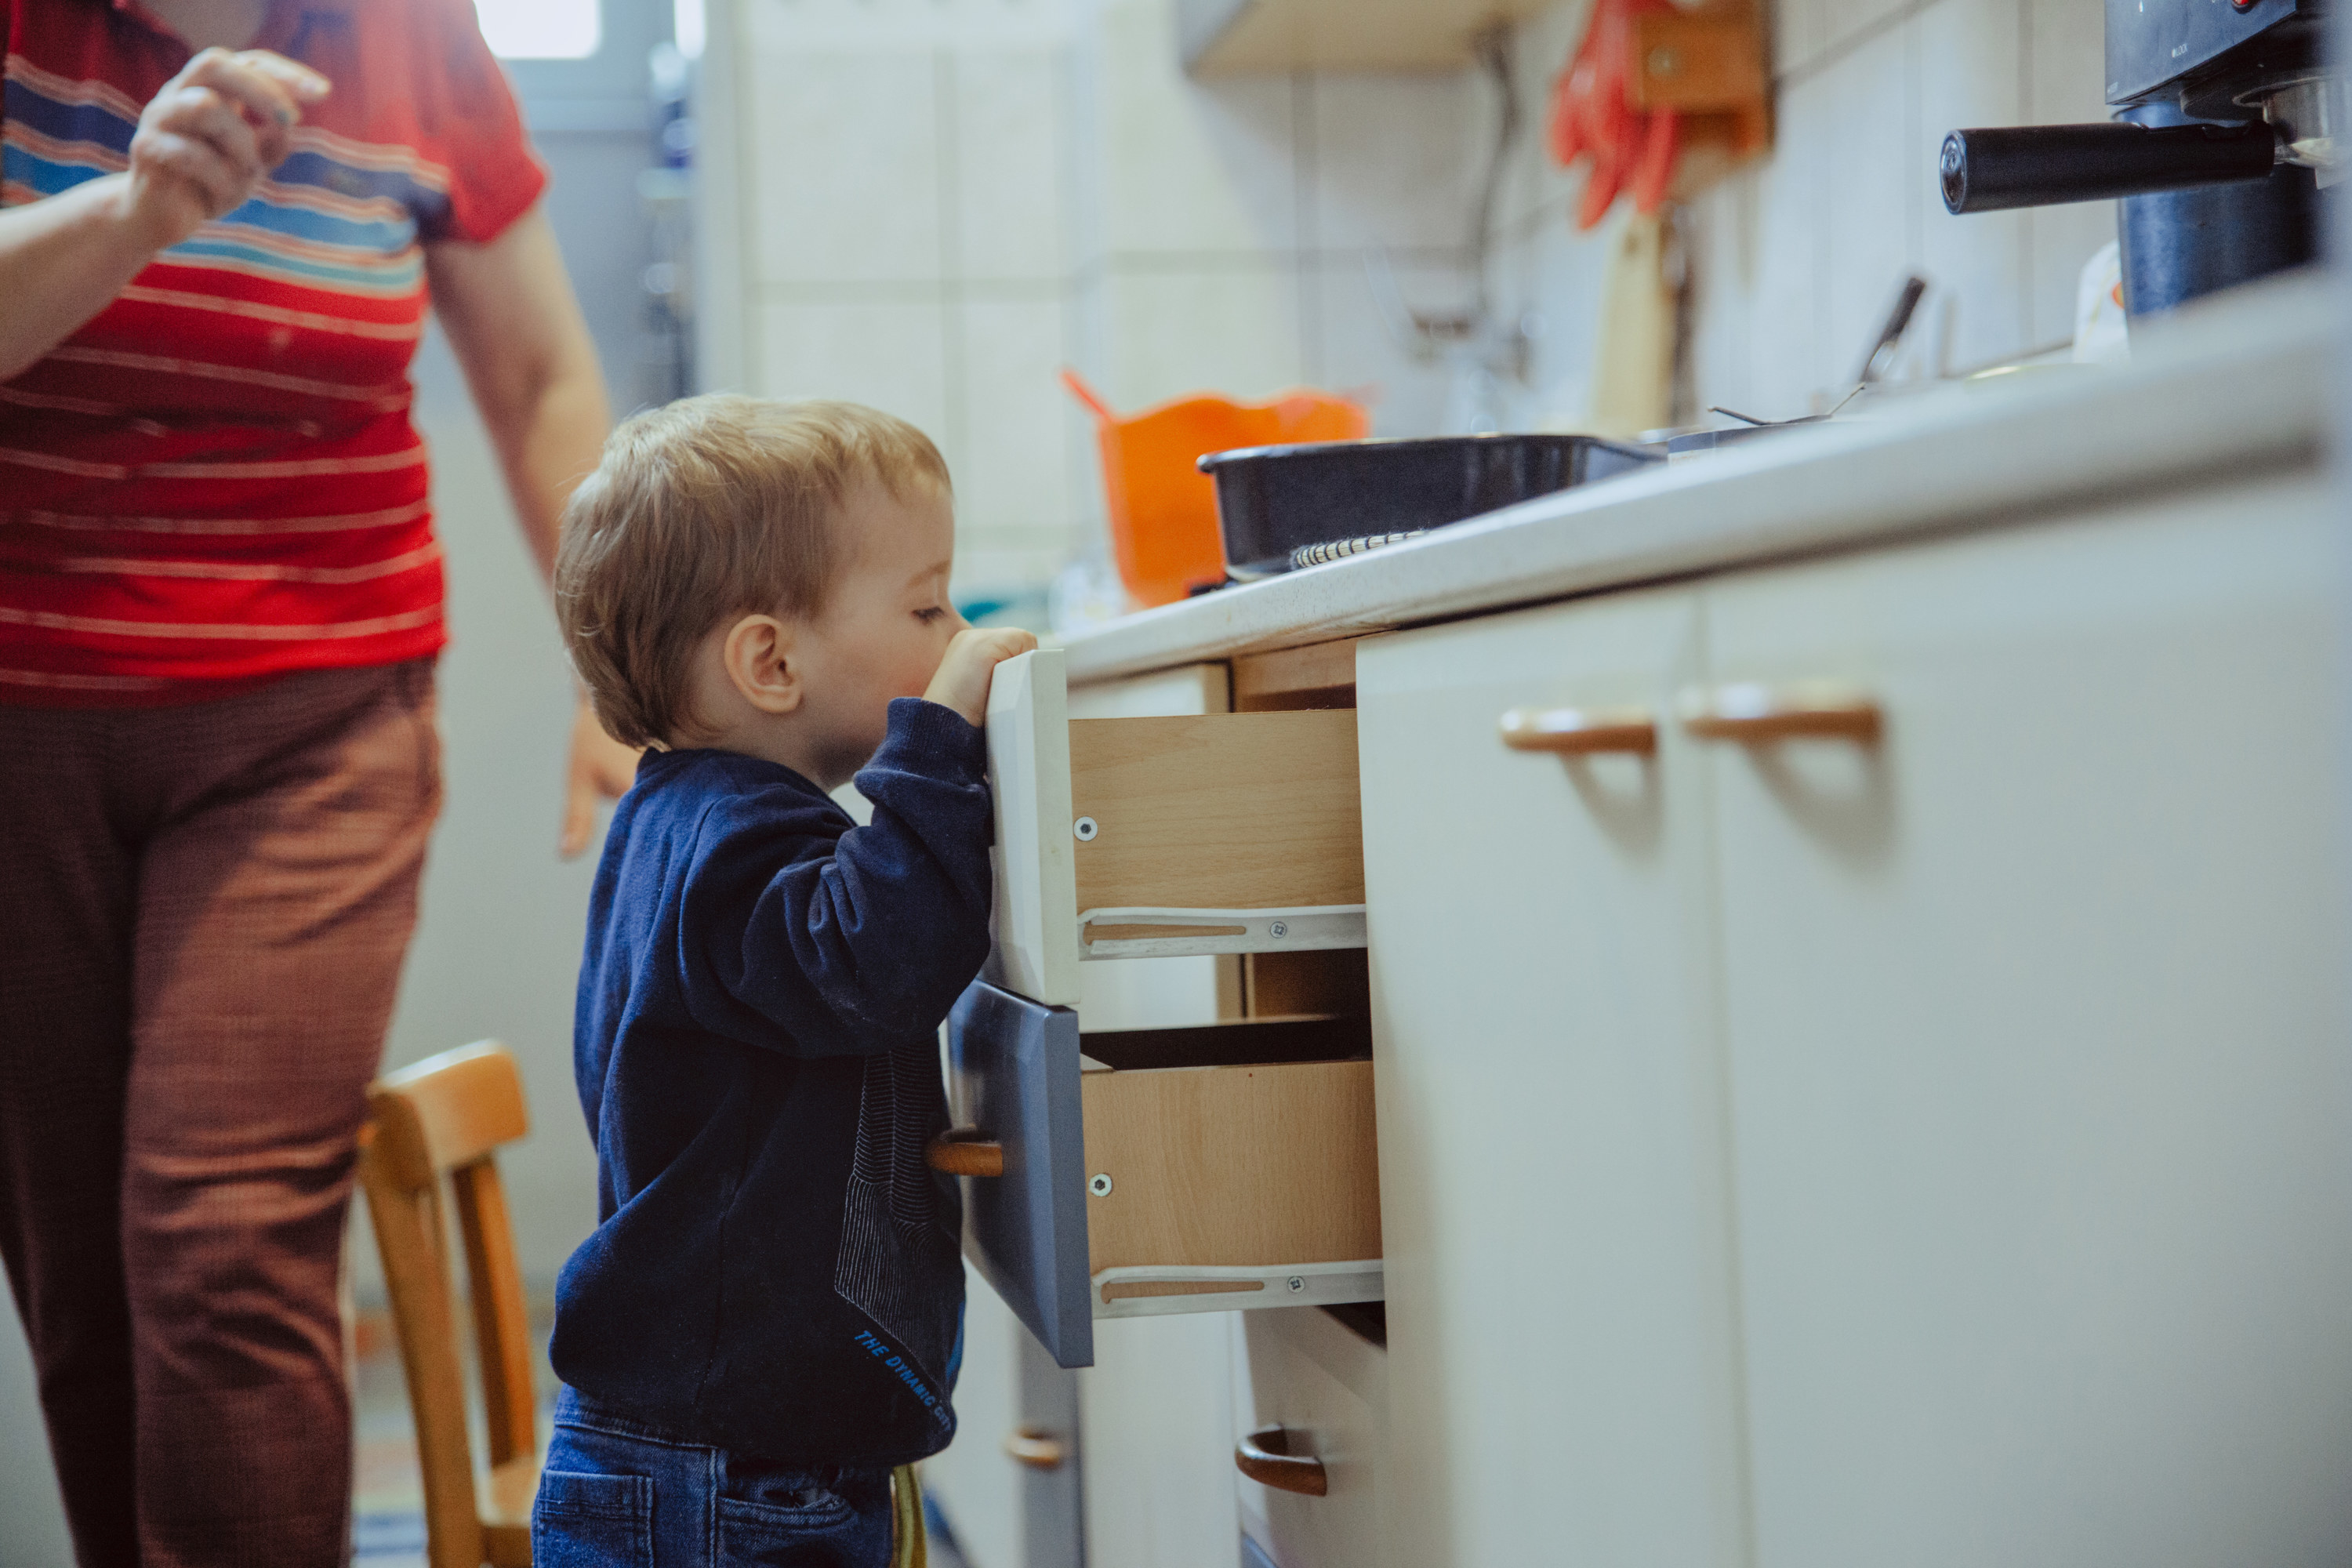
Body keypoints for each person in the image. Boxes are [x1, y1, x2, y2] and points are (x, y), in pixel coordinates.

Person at [0, 1, 639, 1562]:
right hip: (23, 713)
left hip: (316, 726)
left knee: (219, 1252)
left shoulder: (417, 39)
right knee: (82, 1279)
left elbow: (547, 374)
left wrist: (628, 670)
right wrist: (136, 212)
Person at [539, 396, 1033, 1566]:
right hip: (724, 1475)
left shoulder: (692, 819)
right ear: (770, 661)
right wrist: (938, 737)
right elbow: (874, 961)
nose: (952, 628)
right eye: (926, 606)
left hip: (731, 1451)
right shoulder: (730, 843)